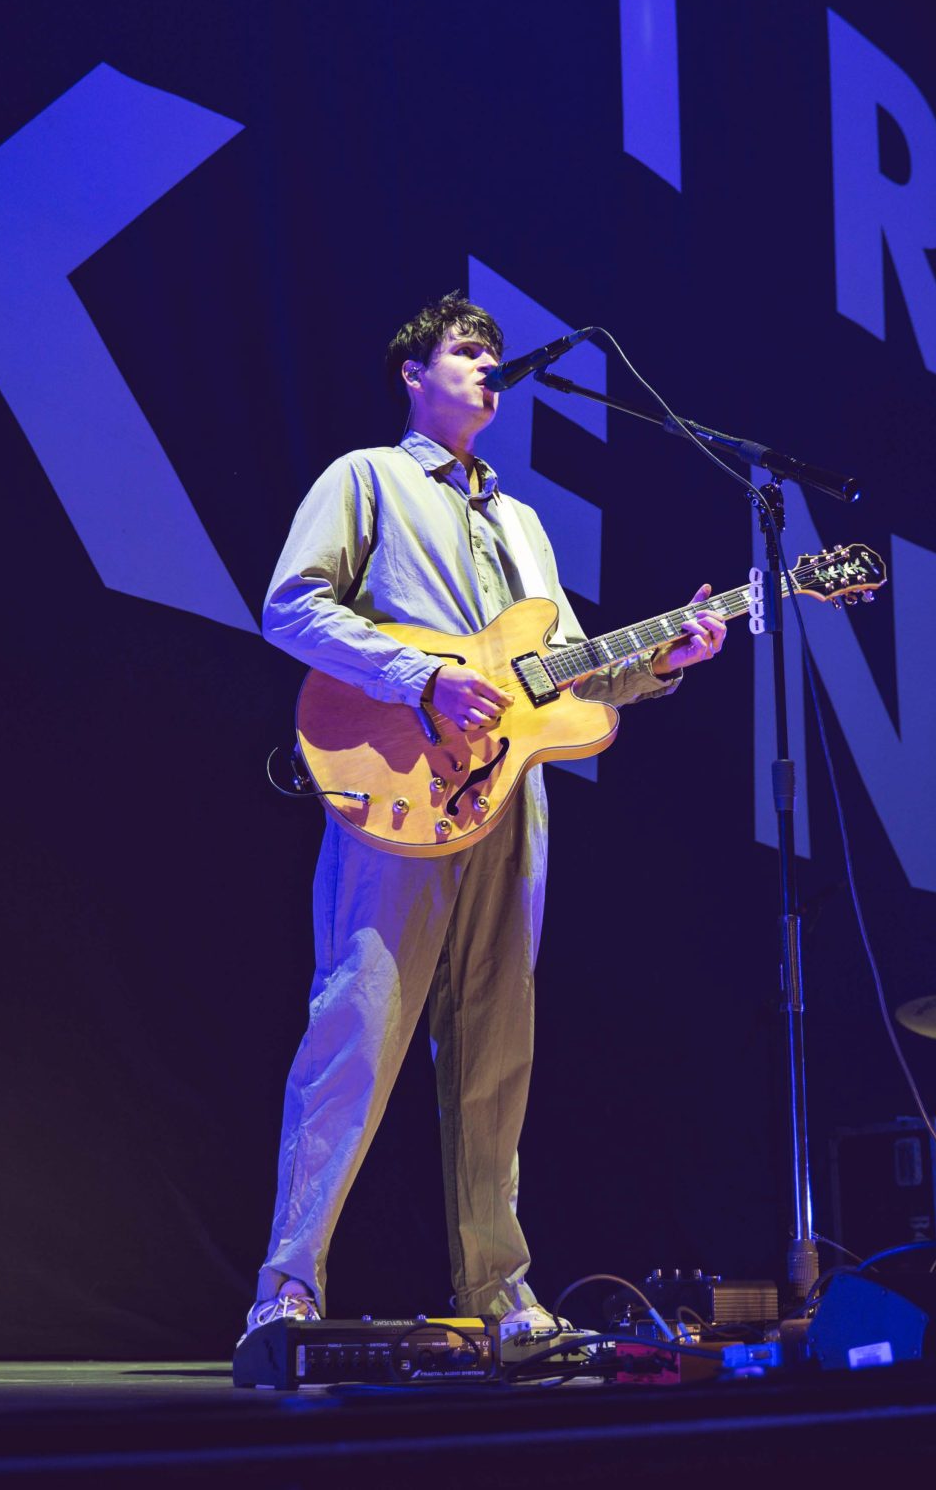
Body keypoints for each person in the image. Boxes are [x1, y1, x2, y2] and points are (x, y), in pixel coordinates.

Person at [246, 293, 729, 1346]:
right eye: (466, 350)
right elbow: (292, 606)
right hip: (400, 789)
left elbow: (566, 677)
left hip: (512, 802)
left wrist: (663, 658)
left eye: (492, 354)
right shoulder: (366, 477)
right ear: (413, 373)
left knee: (498, 1053)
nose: (485, 366)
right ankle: (287, 1285)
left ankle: (502, 1292)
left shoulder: (525, 525)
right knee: (358, 1028)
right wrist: (421, 676)